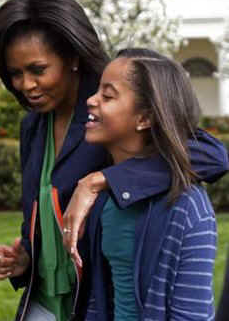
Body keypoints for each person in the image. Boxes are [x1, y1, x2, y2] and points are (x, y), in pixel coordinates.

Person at [0, 0, 228, 321]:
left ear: (71, 58)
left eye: (38, 70)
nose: (26, 85)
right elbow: (40, 220)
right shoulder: (33, 126)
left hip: (91, 304)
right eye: (15, 74)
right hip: (41, 304)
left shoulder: (113, 109)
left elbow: (212, 156)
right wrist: (24, 260)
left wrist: (102, 179)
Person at [64, 48, 223, 321]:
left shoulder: (187, 206)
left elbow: (192, 314)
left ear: (145, 118)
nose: (90, 100)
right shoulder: (106, 200)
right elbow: (99, 299)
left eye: (108, 95)